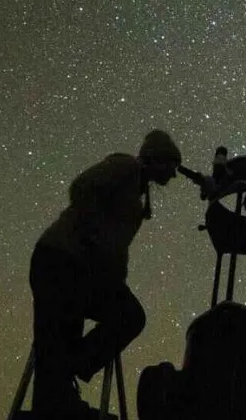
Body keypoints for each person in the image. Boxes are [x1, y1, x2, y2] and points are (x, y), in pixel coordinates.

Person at [29, 129, 181, 419]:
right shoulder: (126, 166)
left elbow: (117, 248)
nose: (174, 175)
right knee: (128, 317)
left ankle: (59, 394)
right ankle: (68, 373)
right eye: (172, 165)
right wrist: (93, 236)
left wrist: (114, 277)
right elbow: (82, 186)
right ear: (158, 159)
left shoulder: (135, 194)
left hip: (72, 267)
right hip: (62, 261)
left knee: (58, 337)